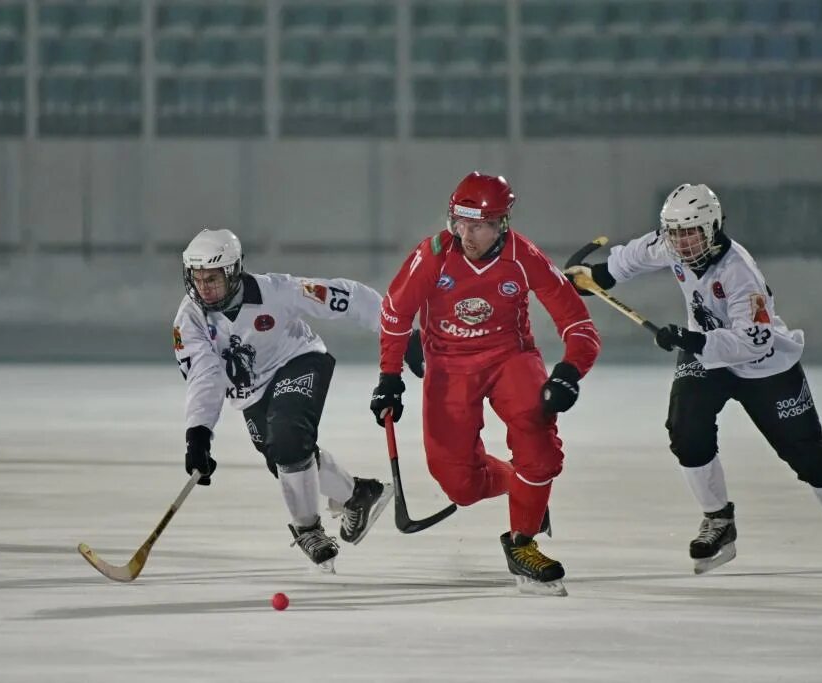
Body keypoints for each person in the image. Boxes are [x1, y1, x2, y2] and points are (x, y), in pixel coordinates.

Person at [564, 183, 822, 573]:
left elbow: (754, 340)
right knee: (685, 430)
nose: (681, 243)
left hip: (764, 365)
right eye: (674, 233)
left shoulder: (739, 273)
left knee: (810, 456)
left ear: (712, 229)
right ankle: (718, 520)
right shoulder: (672, 243)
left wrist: (692, 338)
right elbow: (633, 256)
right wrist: (596, 275)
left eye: (690, 233)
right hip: (706, 356)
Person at [370, 172, 601, 595]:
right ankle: (522, 486)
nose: (464, 233)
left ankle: (523, 542)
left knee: (540, 446)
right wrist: (389, 376)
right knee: (461, 486)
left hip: (509, 358)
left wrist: (569, 372)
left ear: (501, 225)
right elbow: (394, 313)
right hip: (448, 368)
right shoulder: (432, 255)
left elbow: (578, 324)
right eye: (459, 222)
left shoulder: (523, 256)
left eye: (476, 225)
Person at [173, 228, 421, 572]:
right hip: (252, 393)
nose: (204, 287)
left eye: (213, 278)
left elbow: (348, 297)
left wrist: (401, 334)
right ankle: (359, 494)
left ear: (234, 271)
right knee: (285, 460)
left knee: (288, 437)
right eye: (197, 278)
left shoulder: (277, 291)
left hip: (299, 361)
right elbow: (205, 375)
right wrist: (198, 433)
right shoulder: (190, 319)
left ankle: (308, 530)